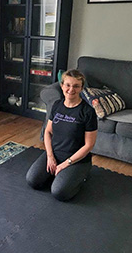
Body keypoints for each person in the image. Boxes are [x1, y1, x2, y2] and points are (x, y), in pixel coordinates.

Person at [26, 69, 98, 201]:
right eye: (68, 85)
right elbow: (48, 132)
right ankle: (60, 175)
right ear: (62, 86)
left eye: (76, 86)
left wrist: (65, 164)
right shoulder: (57, 105)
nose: (71, 89)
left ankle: (82, 174)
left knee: (59, 192)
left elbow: (89, 145)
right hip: (55, 153)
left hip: (76, 160)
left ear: (81, 88)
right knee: (33, 180)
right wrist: (50, 157)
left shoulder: (88, 112)